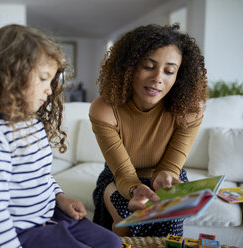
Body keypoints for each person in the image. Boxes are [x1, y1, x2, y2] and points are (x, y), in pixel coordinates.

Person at [0, 24, 122, 248]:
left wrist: (61, 199)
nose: (50, 90)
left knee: (112, 242)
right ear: (11, 75)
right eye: (43, 79)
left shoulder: (31, 123)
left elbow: (41, 176)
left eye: (51, 81)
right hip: (19, 232)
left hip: (51, 217)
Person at [89, 24, 208, 237]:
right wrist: (135, 189)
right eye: (148, 66)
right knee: (125, 219)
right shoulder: (104, 109)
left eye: (169, 71)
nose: (158, 78)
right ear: (129, 67)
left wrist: (166, 177)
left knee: (169, 223)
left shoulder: (190, 111)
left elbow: (170, 167)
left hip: (166, 178)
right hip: (119, 178)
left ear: (179, 76)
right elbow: (124, 174)